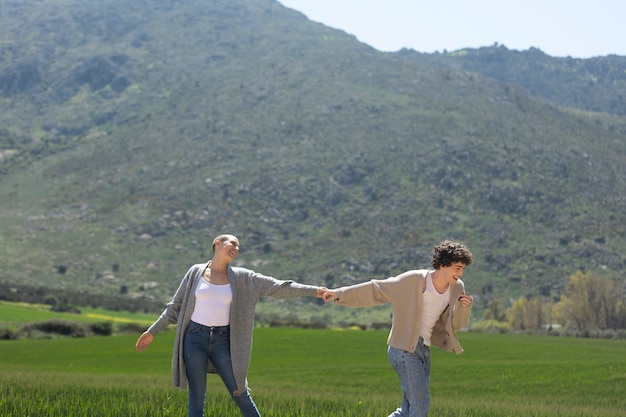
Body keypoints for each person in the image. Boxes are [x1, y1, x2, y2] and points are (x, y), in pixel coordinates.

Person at [135, 234, 326, 417]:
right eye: (232, 243)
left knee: (240, 393)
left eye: (238, 246)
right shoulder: (195, 272)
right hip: (194, 339)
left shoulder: (244, 278)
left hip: (224, 342)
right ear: (217, 244)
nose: (236, 248)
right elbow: (175, 307)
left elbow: (279, 287)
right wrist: (152, 332)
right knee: (196, 399)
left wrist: (315, 291)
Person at [323, 240, 474, 417]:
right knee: (420, 404)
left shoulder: (458, 288)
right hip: (403, 349)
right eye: (457, 268)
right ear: (442, 264)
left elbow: (455, 325)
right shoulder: (414, 280)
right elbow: (377, 289)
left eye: (463, 268)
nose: (461, 273)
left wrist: (465, 308)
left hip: (423, 350)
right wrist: (340, 294)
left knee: (407, 410)